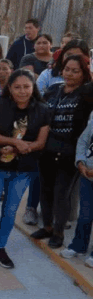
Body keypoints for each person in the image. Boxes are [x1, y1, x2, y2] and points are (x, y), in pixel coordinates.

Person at [0, 70, 50, 270]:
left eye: (26, 87)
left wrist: (18, 148)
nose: (22, 91)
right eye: (17, 87)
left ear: (33, 88)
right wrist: (13, 142)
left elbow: (40, 142)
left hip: (24, 169)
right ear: (9, 88)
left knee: (10, 210)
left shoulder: (43, 109)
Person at [31, 54, 93, 249]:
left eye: (76, 71)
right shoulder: (53, 89)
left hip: (70, 150)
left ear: (84, 73)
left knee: (61, 193)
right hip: (47, 147)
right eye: (67, 69)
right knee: (45, 190)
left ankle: (58, 232)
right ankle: (47, 226)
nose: (70, 74)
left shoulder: (87, 94)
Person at [64, 109, 93, 266]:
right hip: (87, 176)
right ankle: (78, 246)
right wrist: (80, 162)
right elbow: (83, 141)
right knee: (85, 215)